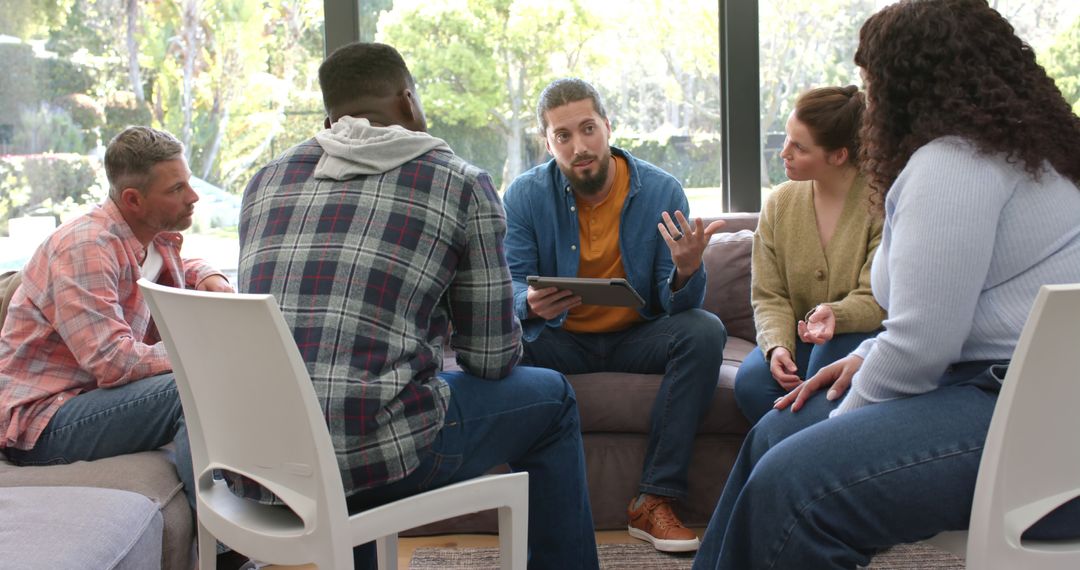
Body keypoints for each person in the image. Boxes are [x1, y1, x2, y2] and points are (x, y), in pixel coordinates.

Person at [693, 1, 1080, 568]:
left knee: (795, 481)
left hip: (1023, 420)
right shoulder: (1038, 156)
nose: (868, 101)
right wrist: (870, 354)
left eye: (871, 82)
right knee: (776, 431)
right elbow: (982, 310)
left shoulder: (953, 164)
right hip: (1030, 398)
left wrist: (841, 427)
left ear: (906, 84)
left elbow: (924, 345)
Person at [236, 42, 599, 569]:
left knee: (349, 402)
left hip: (265, 457)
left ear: (329, 117)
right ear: (408, 101)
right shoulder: (458, 181)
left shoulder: (265, 180)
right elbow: (492, 359)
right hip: (366, 456)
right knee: (553, 400)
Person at [503, 77, 727, 553]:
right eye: (563, 136)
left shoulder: (662, 189)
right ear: (548, 142)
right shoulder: (524, 196)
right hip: (559, 338)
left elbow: (679, 308)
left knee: (704, 331)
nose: (579, 146)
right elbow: (512, 285)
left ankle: (655, 499)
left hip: (637, 336)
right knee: (501, 341)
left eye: (588, 129)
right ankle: (528, 501)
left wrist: (688, 271)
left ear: (607, 126)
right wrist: (528, 302)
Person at [0, 126, 232, 514]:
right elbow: (113, 362)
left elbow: (161, 268)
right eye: (176, 190)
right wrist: (201, 352)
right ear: (133, 200)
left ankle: (269, 513)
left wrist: (207, 274)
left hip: (87, 400)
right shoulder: (86, 247)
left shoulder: (148, 235)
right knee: (190, 390)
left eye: (187, 183)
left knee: (228, 375)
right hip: (44, 422)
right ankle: (227, 548)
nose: (192, 197)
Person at [734, 86, 886, 424]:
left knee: (825, 364)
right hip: (800, 340)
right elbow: (769, 295)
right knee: (752, 381)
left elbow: (878, 297)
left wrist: (836, 315)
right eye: (787, 139)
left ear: (838, 155)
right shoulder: (779, 203)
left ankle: (792, 464)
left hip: (859, 338)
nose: (783, 152)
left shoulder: (881, 203)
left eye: (799, 147)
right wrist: (777, 347)